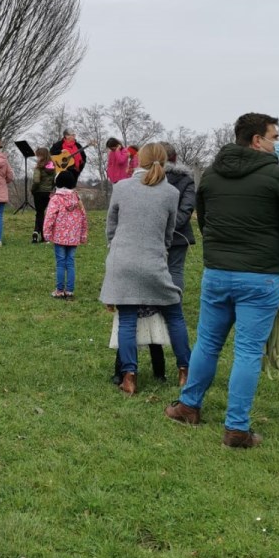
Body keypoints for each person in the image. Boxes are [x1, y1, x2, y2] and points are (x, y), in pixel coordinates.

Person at [166, 112, 279, 447]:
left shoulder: (210, 176)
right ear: (256, 140)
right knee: (248, 351)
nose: (277, 142)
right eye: (274, 136)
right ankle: (236, 428)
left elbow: (205, 221)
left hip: (218, 273)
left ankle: (189, 406)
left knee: (208, 343)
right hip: (261, 275)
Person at [100, 143, 190, 396]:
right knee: (174, 315)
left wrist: (116, 247)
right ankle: (185, 370)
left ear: (139, 160)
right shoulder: (171, 193)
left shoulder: (121, 187)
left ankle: (129, 377)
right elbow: (169, 233)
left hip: (122, 261)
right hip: (154, 261)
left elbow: (111, 226)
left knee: (127, 321)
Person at [42, 169, 88, 299]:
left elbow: (49, 217)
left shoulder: (55, 199)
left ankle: (59, 290)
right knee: (70, 263)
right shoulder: (77, 198)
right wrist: (83, 234)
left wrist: (47, 233)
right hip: (73, 237)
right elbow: (84, 216)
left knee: (61, 263)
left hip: (59, 237)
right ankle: (70, 290)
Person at [162, 143, 196, 291]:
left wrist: (159, 227)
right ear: (174, 158)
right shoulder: (187, 180)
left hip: (155, 233)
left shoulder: (148, 180)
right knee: (175, 271)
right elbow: (187, 209)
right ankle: (174, 309)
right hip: (178, 233)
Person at [31, 147, 56, 244]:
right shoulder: (53, 167)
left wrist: (33, 189)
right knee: (45, 213)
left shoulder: (38, 168)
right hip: (49, 193)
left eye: (37, 155)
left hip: (39, 192)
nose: (37, 157)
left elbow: (36, 181)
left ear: (41, 156)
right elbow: (55, 181)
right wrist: (51, 189)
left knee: (39, 213)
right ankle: (43, 235)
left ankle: (37, 232)